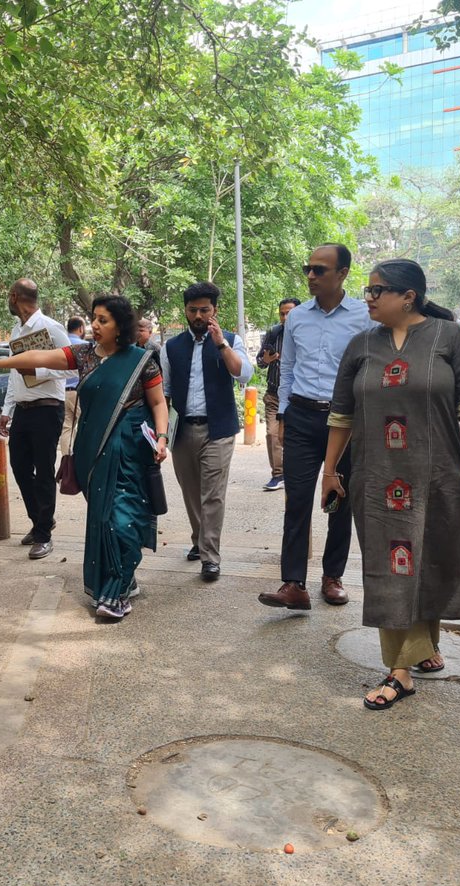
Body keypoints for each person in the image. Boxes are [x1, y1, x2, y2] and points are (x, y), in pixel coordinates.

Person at [322, 259, 460, 710]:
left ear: (408, 296)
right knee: (391, 565)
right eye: (368, 290)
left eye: (377, 291)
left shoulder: (451, 338)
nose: (369, 298)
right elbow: (341, 415)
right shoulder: (361, 345)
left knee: (431, 558)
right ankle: (401, 670)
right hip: (377, 476)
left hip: (437, 472)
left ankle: (421, 647)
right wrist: (330, 471)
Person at [0, 295, 169, 619]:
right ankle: (123, 580)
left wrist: (161, 437)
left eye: (103, 320)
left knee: (124, 521)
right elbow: (36, 355)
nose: (95, 325)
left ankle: (115, 594)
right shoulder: (84, 355)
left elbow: (158, 404)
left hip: (130, 451)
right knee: (104, 520)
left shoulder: (142, 361)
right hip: (92, 451)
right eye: (94, 318)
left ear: (121, 326)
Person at [258, 244, 371, 612]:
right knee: (298, 499)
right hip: (303, 416)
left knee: (340, 499)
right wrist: (284, 414)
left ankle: (332, 577)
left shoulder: (362, 317)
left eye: (320, 269)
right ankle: (293, 583)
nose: (310, 275)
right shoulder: (298, 318)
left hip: (347, 419)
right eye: (308, 268)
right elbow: (288, 368)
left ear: (343, 274)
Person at [161, 282, 253, 581]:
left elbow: (243, 374)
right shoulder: (172, 347)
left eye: (204, 310)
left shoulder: (230, 340)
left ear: (215, 310)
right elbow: (164, 393)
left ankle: (210, 557)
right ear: (185, 311)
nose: (198, 316)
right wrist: (162, 433)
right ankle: (200, 540)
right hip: (183, 430)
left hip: (219, 430)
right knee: (191, 493)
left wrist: (221, 345)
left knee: (212, 495)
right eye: (192, 310)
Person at [0, 279, 72, 559]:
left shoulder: (51, 328)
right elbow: (13, 374)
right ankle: (41, 519)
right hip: (22, 410)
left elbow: (71, 366)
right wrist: (7, 411)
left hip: (47, 408)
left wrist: (37, 371)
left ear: (15, 297)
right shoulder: (17, 330)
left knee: (43, 471)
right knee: (19, 467)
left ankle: (43, 534)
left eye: (9, 296)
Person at [256, 299, 299, 491]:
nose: (285, 317)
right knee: (272, 434)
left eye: (289, 312)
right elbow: (260, 361)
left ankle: (297, 473)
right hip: (274, 395)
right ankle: (278, 475)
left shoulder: (307, 334)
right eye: (282, 313)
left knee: (296, 437)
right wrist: (266, 359)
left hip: (298, 396)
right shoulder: (273, 333)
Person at [60, 316, 89, 457]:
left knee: (67, 428)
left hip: (62, 393)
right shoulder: (85, 346)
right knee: (87, 425)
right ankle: (84, 458)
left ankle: (67, 461)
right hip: (78, 394)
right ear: (81, 328)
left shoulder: (61, 346)